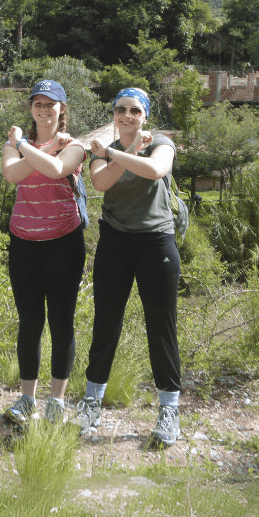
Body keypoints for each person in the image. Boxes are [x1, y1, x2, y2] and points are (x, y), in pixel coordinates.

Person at [78, 87, 183, 448]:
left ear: (145, 115)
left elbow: (156, 171)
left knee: (161, 326)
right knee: (105, 323)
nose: (127, 116)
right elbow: (101, 182)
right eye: (120, 109)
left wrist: (116, 151)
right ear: (113, 114)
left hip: (156, 243)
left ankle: (169, 408)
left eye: (134, 110)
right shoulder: (101, 151)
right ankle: (92, 401)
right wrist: (119, 151)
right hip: (115, 242)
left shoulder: (160, 142)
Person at [0, 80, 88, 426]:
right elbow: (12, 173)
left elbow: (54, 170)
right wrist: (41, 147)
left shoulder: (76, 146)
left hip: (64, 241)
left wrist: (23, 143)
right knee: (30, 322)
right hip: (23, 243)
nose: (44, 109)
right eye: (38, 103)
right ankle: (26, 399)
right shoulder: (16, 147)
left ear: (62, 109)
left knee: (61, 321)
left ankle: (57, 401)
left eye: (51, 104)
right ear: (31, 107)